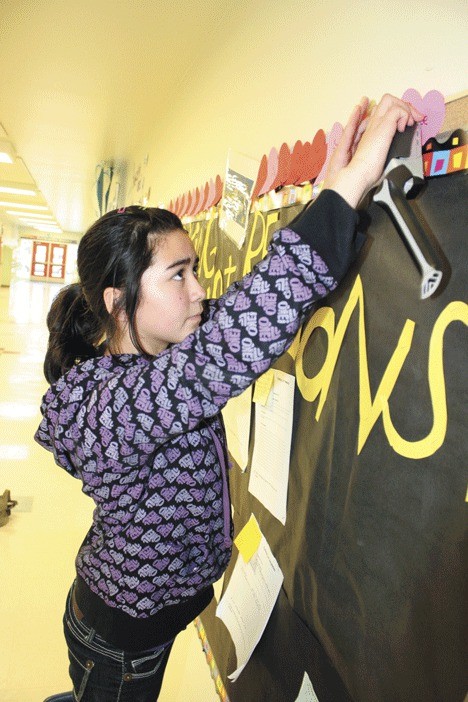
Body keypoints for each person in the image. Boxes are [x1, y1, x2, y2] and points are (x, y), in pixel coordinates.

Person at [35, 94, 422, 702]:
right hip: (118, 637)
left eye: (197, 268)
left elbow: (251, 308)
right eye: (179, 274)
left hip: (150, 620)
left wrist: (321, 205)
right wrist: (342, 194)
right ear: (117, 301)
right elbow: (232, 343)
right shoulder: (109, 406)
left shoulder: (164, 355)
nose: (199, 289)